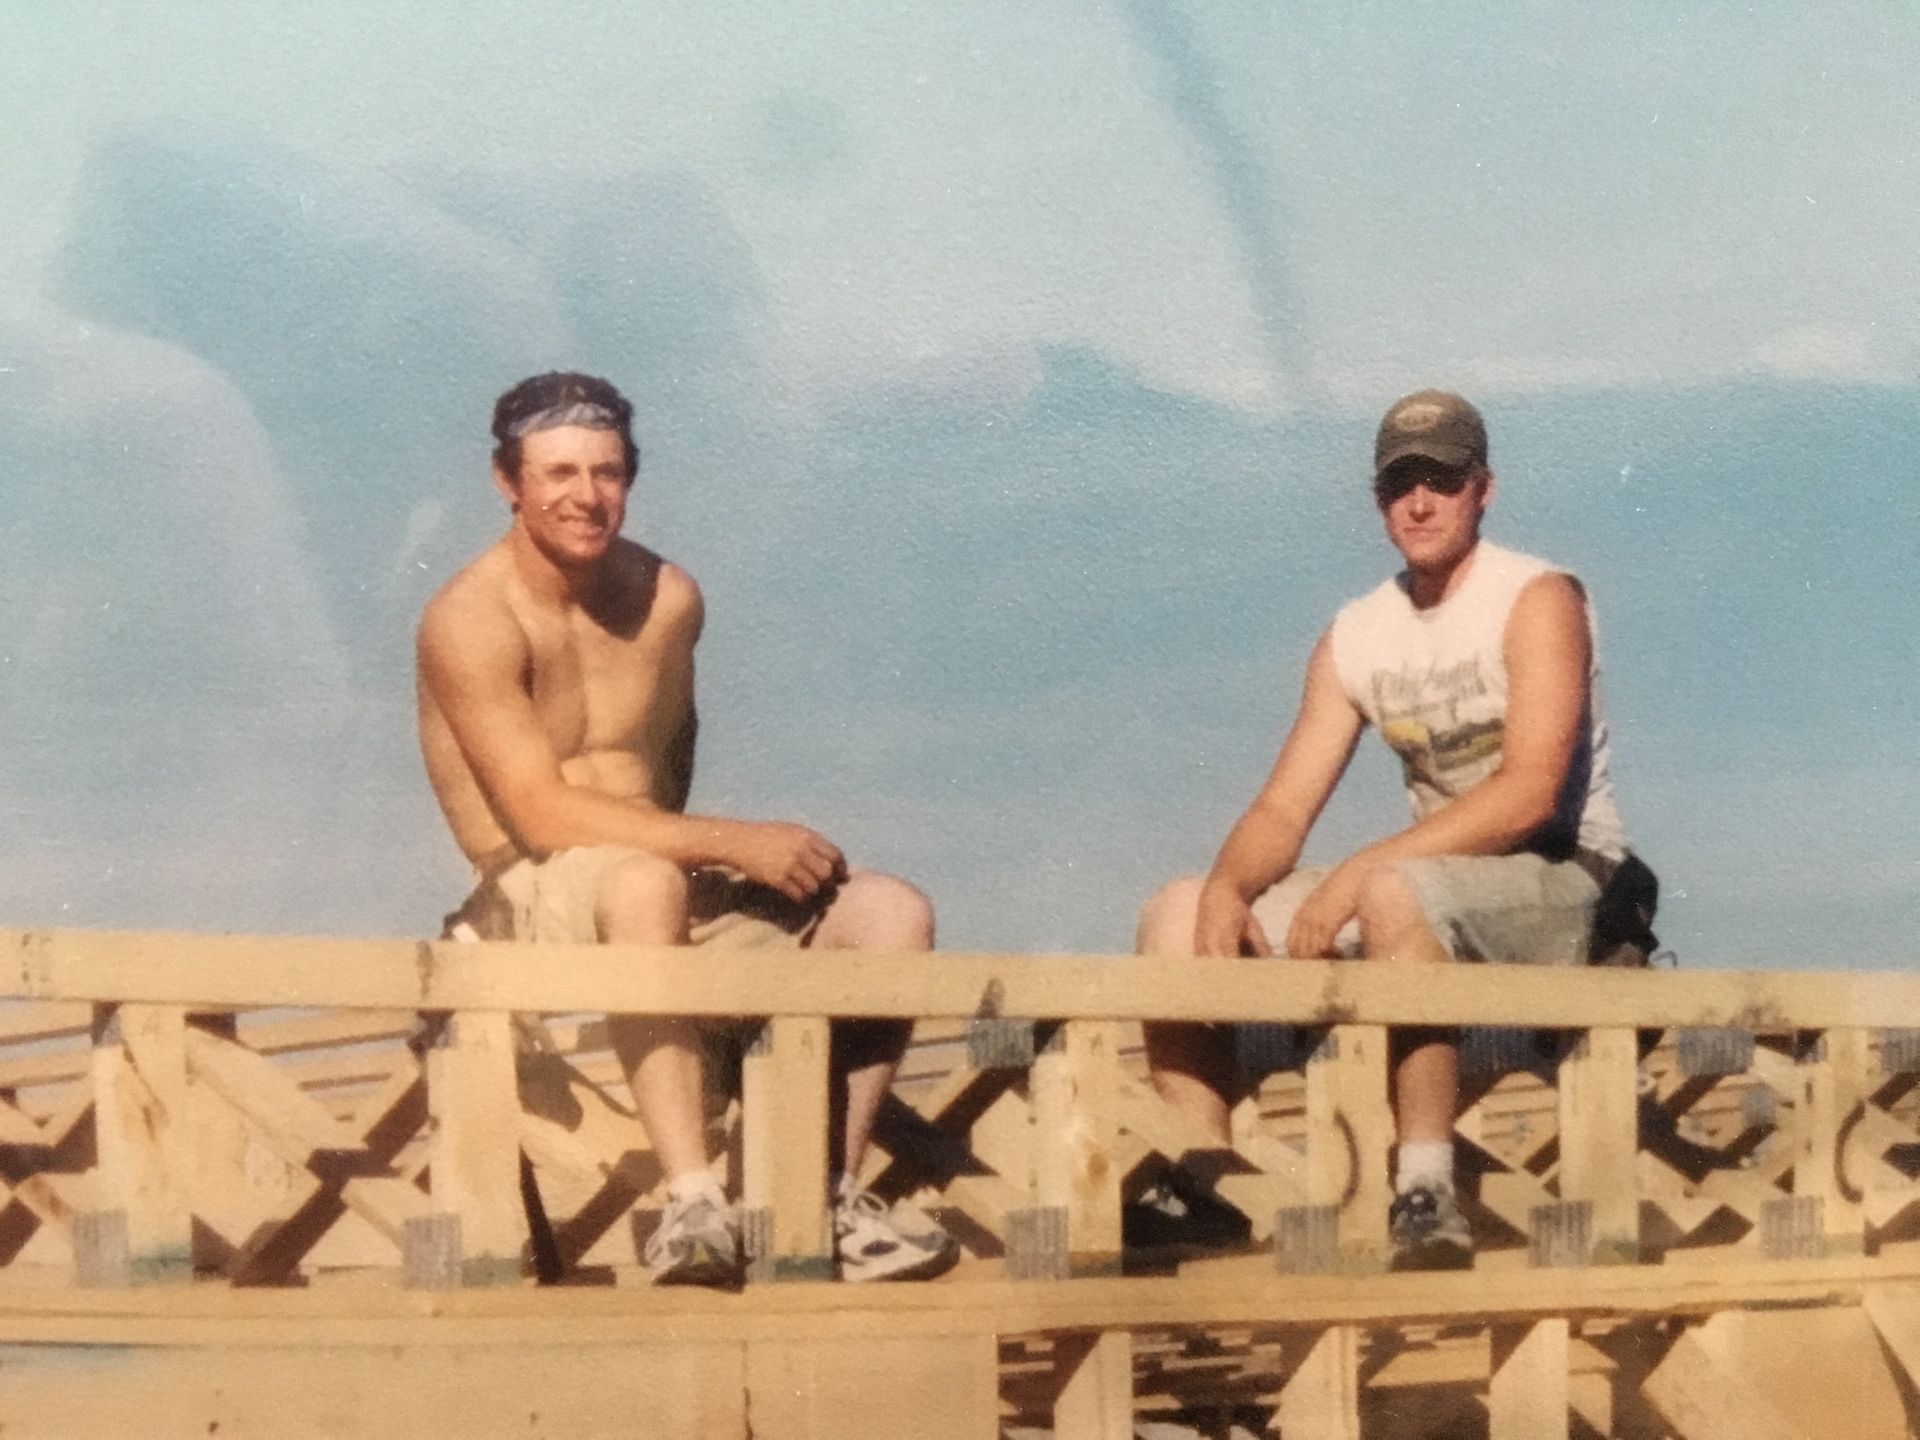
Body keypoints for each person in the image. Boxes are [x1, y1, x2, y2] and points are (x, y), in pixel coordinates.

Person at [417, 372, 958, 1286]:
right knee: (645, 879)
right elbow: (540, 810)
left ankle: (820, 1194)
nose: (586, 496)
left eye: (608, 472)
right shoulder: (468, 618)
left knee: (887, 911)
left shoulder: (667, 598)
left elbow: (666, 772)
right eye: (557, 472)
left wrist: (729, 874)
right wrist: (734, 844)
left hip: (657, 877)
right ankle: (691, 1202)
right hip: (526, 883)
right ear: (507, 481)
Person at [1134, 390, 1657, 1270]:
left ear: (1482, 489)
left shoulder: (1537, 596)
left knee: (1389, 888)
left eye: (1441, 481)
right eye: (1399, 485)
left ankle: (1423, 1187)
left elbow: (1531, 792)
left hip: (1569, 879)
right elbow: (1283, 808)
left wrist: (1353, 878)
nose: (1419, 504)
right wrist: (1228, 889)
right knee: (1175, 910)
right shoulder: (1358, 634)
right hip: (1431, 888)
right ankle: (1202, 1176)